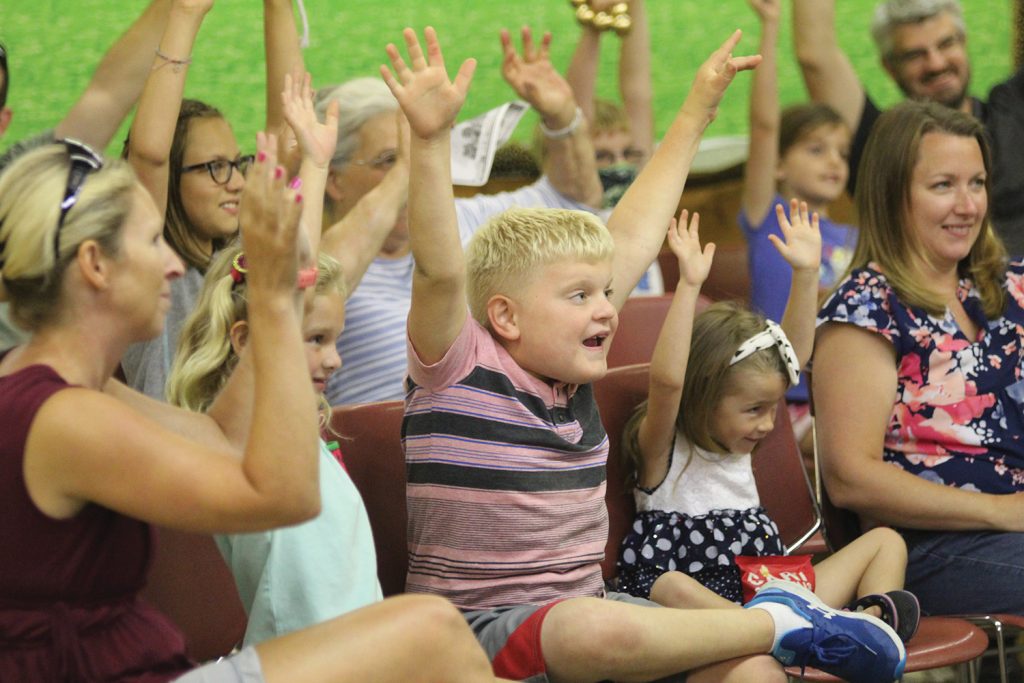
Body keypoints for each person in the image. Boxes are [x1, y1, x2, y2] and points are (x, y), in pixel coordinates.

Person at [385, 25, 907, 683]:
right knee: (586, 624)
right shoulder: (457, 366)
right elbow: (438, 271)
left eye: (606, 292)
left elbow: (633, 230)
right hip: (477, 635)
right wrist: (431, 140)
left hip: (603, 619)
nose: (608, 309)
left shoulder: (571, 379)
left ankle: (778, 634)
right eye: (580, 296)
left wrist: (698, 108)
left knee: (749, 673)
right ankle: (784, 624)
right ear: (505, 315)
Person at [0, 135, 515, 683]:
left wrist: (286, 286)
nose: (173, 266)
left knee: (432, 626)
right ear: (95, 264)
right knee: (432, 631)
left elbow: (223, 438)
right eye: (153, 241)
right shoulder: (62, 415)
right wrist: (269, 299)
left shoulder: (61, 386)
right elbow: (287, 497)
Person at [614, 202, 917, 648]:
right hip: (706, 613)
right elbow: (668, 382)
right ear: (704, 395)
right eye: (755, 409)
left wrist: (806, 274)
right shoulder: (663, 450)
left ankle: (868, 627)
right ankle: (803, 632)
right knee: (671, 585)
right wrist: (689, 286)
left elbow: (792, 356)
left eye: (772, 408)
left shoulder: (740, 441)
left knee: (887, 541)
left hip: (770, 593)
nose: (768, 424)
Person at [314, 26, 603, 406]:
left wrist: (562, 118)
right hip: (387, 438)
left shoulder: (467, 218)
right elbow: (315, 292)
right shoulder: (322, 259)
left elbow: (573, 201)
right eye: (387, 159)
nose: (416, 168)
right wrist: (417, 154)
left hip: (505, 425)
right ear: (334, 181)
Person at [814, 100, 1024, 616]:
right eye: (943, 185)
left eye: (977, 183)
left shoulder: (1010, 284)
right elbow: (850, 478)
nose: (968, 205)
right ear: (892, 195)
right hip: (923, 549)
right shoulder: (866, 306)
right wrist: (1003, 512)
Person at [167, 246, 383, 646]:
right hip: (306, 657)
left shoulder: (298, 433)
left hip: (359, 650)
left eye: (335, 340)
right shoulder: (248, 441)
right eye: (316, 339)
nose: (334, 359)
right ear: (245, 340)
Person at [120, 0, 305, 398]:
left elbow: (288, 137)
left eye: (236, 164)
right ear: (171, 179)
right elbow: (149, 153)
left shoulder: (238, 255)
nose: (236, 182)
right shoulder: (151, 264)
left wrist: (278, 6)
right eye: (215, 167)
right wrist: (186, 13)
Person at [0, 0, 175, 351]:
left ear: (2, 122)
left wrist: (180, 8)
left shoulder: (16, 185)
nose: (176, 267)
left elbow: (107, 95)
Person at [792, 0, 1024, 255]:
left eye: (946, 44)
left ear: (964, 42)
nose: (936, 63)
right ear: (889, 67)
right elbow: (816, 56)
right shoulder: (883, 147)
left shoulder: (1012, 109)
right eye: (915, 55)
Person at [740, 0, 856, 454]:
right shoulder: (767, 215)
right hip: (781, 401)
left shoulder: (855, 239)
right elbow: (764, 126)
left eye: (842, 152)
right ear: (779, 164)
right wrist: (770, 26)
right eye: (815, 149)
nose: (834, 161)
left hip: (841, 395)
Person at [565, 0, 654, 207]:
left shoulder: (641, 187)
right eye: (601, 156)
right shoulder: (571, 194)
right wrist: (593, 27)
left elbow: (638, 95)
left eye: (628, 153)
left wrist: (634, 4)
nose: (620, 165)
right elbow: (574, 116)